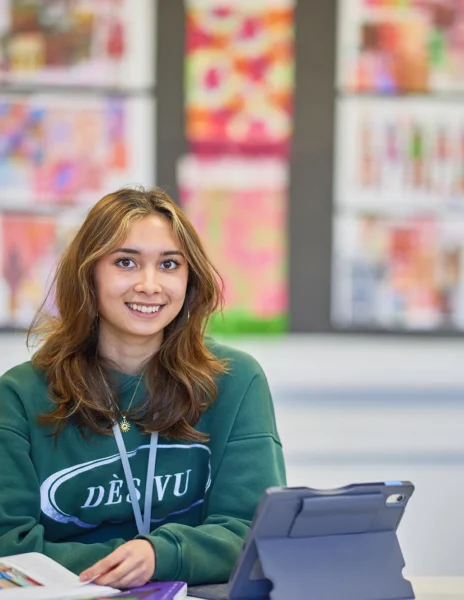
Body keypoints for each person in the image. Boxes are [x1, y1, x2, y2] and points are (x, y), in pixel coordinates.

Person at [0, 187, 286, 588]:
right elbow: (9, 547)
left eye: (169, 265)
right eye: (126, 262)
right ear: (89, 274)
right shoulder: (19, 394)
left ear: (190, 279)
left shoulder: (236, 379)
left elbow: (256, 534)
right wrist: (129, 562)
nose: (150, 285)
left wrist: (160, 555)